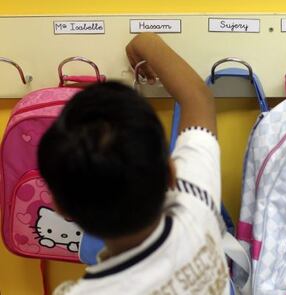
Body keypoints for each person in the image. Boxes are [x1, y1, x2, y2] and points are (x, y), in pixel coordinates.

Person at [38, 32, 229, 294]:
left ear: (60, 208)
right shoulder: (195, 203)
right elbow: (198, 98)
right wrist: (145, 42)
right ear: (171, 173)